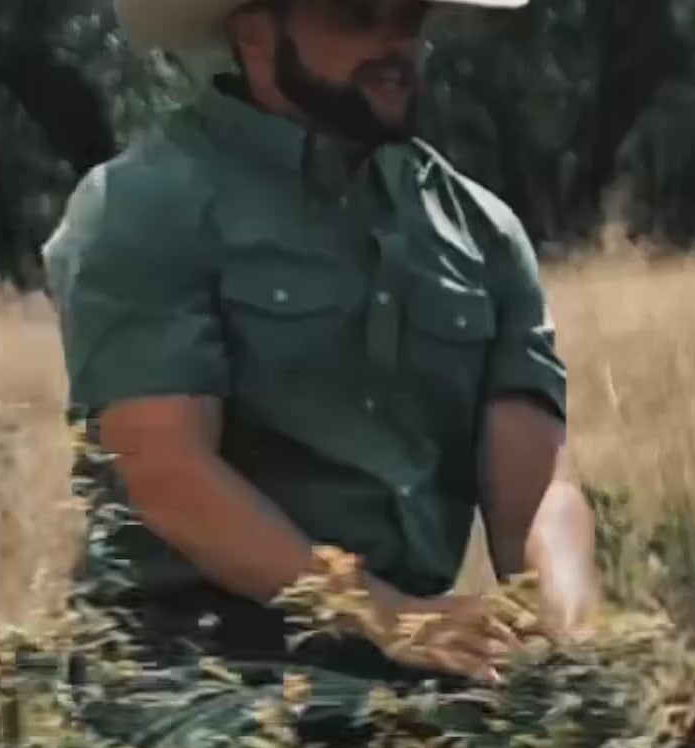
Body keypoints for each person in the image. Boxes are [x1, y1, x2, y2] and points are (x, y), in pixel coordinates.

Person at [41, 0, 601, 688]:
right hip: (187, 665)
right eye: (356, 17)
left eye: (409, 19)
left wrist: (575, 648)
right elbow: (163, 469)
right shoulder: (147, 203)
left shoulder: (481, 234)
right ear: (253, 33)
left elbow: (539, 491)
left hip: (409, 664)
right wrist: (386, 615)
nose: (394, 44)